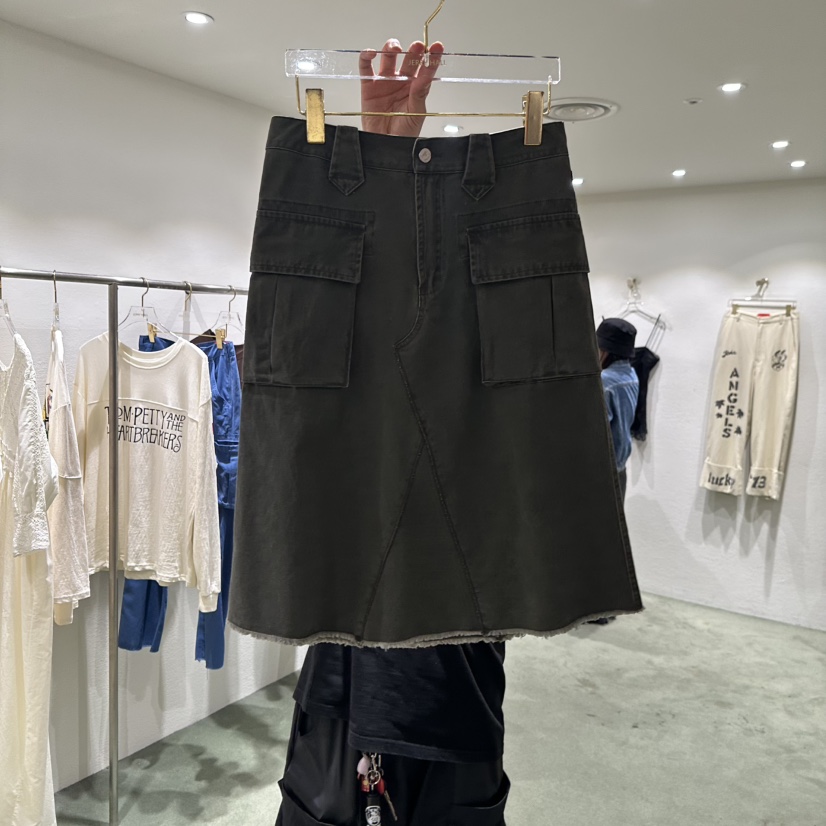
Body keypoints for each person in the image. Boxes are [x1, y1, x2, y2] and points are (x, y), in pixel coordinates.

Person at [274, 39, 510, 826]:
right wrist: (382, 160)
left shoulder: (496, 381)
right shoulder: (362, 389)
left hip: (448, 697)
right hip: (345, 692)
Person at [596, 318, 640, 502]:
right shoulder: (631, 374)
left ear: (604, 351)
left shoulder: (603, 381)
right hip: (620, 468)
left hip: (601, 473)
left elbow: (596, 432)